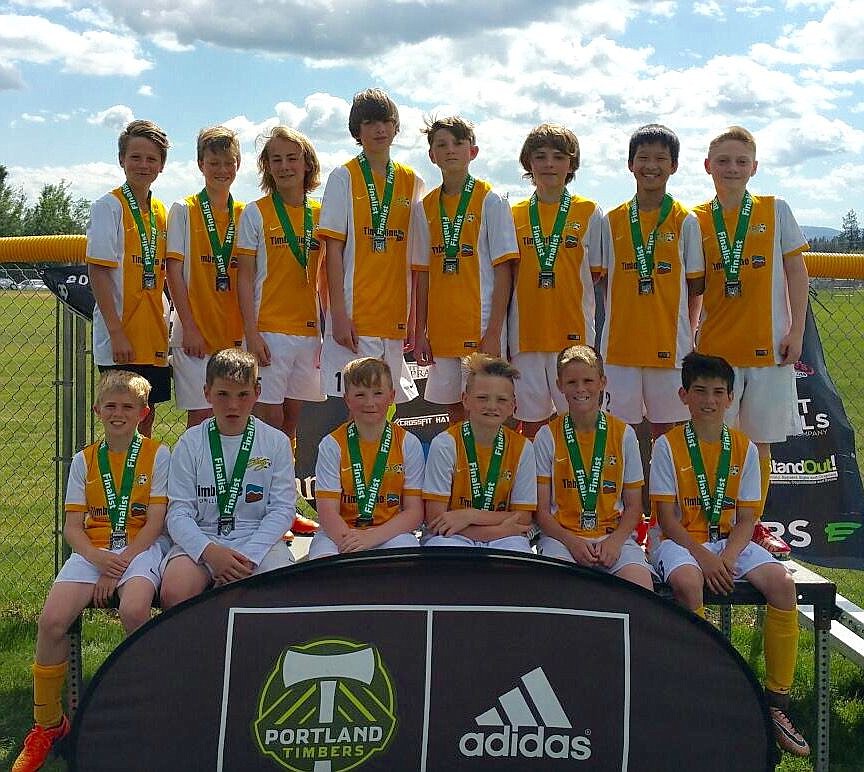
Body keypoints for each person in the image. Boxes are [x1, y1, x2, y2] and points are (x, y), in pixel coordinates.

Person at [648, 352, 809, 757]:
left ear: (730, 398)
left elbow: (748, 517)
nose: (709, 400)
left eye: (718, 392)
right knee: (687, 583)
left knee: (782, 585)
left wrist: (729, 557)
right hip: (683, 542)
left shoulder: (744, 448)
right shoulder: (667, 446)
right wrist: (705, 558)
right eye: (699, 391)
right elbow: (667, 520)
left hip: (729, 543)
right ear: (683, 395)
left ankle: (776, 703)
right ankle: (702, 691)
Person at [12, 371, 169, 772]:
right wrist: (99, 561)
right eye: (111, 406)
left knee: (134, 611)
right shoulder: (84, 460)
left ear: (143, 413)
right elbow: (72, 527)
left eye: (127, 407)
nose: (118, 414)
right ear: (98, 410)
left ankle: (146, 713)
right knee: (52, 621)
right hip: (93, 553)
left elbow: (154, 523)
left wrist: (117, 567)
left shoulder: (158, 455)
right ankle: (48, 724)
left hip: (141, 549)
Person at [693, 125, 809, 557]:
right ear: (708, 167)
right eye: (723, 161)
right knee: (716, 443)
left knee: (758, 444)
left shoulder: (776, 210)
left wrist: (795, 330)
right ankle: (713, 522)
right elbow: (694, 287)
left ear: (754, 167)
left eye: (741, 161)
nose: (732, 168)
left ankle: (754, 525)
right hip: (716, 355)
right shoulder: (697, 218)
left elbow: (797, 273)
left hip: (769, 351)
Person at [160, 348, 295, 608]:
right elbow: (178, 513)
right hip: (204, 538)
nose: (233, 405)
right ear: (206, 393)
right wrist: (210, 553)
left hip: (257, 541)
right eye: (223, 394)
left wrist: (247, 557)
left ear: (257, 392)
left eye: (243, 395)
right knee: (174, 592)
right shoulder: (190, 442)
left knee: (279, 589)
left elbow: (282, 510)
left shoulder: (276, 442)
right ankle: (196, 649)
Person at [318, 88, 425, 406]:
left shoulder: (412, 181)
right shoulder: (343, 177)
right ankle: (357, 457)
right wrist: (337, 313)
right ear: (357, 130)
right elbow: (332, 251)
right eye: (370, 122)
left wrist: (414, 318)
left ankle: (384, 457)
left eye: (386, 121)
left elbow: (416, 259)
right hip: (354, 312)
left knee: (388, 399)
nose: (379, 129)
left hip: (393, 313)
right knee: (358, 400)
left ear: (395, 127)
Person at [599, 123, 704, 439]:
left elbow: (695, 286)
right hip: (619, 350)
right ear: (631, 164)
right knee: (618, 433)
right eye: (643, 158)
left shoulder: (686, 221)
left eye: (661, 158)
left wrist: (691, 333)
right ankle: (621, 490)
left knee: (669, 435)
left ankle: (666, 490)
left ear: (673, 166)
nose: (651, 166)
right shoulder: (611, 220)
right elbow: (602, 279)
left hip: (670, 350)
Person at [413, 116, 518, 424]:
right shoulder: (425, 206)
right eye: (441, 145)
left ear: (473, 151)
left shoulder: (492, 200)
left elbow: (504, 271)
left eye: (458, 143)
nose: (450, 151)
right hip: (443, 329)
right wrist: (420, 332)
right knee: (456, 410)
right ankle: (462, 469)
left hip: (481, 327)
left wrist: (494, 332)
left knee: (490, 407)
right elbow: (422, 272)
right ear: (432, 155)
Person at [509, 123, 603, 438]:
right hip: (527, 336)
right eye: (541, 156)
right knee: (532, 426)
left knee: (580, 423)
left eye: (559, 157)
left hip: (573, 336)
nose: (549, 164)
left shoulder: (589, 211)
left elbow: (596, 273)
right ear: (528, 163)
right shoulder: (514, 214)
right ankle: (534, 486)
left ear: (571, 164)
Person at [534, 346, 654, 589]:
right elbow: (541, 512)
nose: (580, 389)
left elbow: (633, 507)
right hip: (562, 540)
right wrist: (572, 542)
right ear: (559, 386)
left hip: (613, 537)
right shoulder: (547, 436)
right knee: (558, 590)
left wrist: (615, 542)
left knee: (642, 591)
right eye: (572, 382)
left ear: (602, 382)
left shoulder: (623, 434)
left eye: (588, 380)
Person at [236, 126, 326, 440]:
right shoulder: (255, 212)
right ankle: (264, 484)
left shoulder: (321, 213)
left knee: (292, 421)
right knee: (267, 419)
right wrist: (251, 332)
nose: (284, 166)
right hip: (269, 329)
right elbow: (244, 276)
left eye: (292, 158)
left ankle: (284, 486)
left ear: (307, 164)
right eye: (276, 160)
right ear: (267, 166)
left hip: (308, 331)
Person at [86, 120, 171, 437]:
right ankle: (117, 484)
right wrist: (117, 332)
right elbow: (98, 271)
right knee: (120, 419)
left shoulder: (161, 210)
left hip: (154, 332)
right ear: (122, 160)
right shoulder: (108, 206)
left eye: (151, 159)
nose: (143, 165)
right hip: (120, 336)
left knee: (146, 417)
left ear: (161, 165)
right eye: (135, 157)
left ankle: (141, 484)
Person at [166, 126, 245, 428]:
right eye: (214, 163)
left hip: (236, 334)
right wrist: (189, 327)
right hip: (195, 334)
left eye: (229, 163)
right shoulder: (184, 210)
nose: (222, 170)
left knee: (234, 416)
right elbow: (173, 272)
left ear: (238, 165)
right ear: (201, 164)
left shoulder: (245, 213)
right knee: (200, 417)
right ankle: (196, 476)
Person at [310, 357, 423, 558]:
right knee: (323, 566)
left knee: (407, 559)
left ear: (392, 397)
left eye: (378, 393)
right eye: (360, 395)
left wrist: (371, 538)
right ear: (347, 399)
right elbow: (327, 513)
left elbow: (414, 513)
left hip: (390, 533)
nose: (370, 403)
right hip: (340, 533)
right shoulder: (332, 444)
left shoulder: (408, 443)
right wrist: (353, 542)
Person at [422, 353, 535, 550]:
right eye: (482, 398)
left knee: (518, 551)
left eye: (501, 400)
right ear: (465, 400)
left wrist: (469, 515)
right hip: (455, 535)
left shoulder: (523, 447)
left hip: (500, 536)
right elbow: (435, 519)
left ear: (512, 406)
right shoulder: (445, 444)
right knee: (442, 548)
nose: (492, 406)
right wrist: (496, 531)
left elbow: (524, 518)